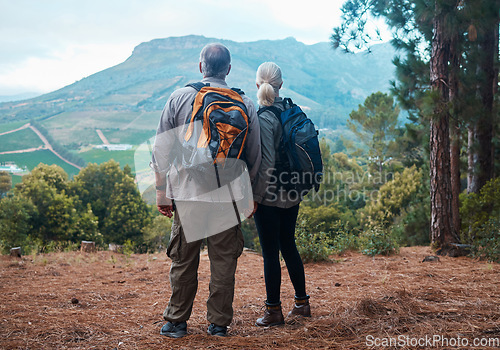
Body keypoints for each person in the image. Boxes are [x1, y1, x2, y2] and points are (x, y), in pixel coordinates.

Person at [151, 43, 261, 338]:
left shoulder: (180, 97)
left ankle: (176, 321)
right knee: (224, 261)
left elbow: (162, 149)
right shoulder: (246, 104)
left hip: (187, 193)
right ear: (228, 69)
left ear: (201, 67)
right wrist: (250, 198)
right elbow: (254, 157)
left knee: (184, 259)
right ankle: (218, 323)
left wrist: (162, 194)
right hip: (227, 196)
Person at [252, 62, 310, 327]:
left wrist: (256, 197)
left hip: (270, 195)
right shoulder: (291, 109)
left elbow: (266, 164)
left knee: (270, 253)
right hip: (293, 192)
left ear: (257, 84)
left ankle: (273, 311)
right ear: (281, 85)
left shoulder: (264, 116)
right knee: (289, 244)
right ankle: (301, 303)